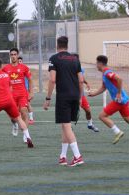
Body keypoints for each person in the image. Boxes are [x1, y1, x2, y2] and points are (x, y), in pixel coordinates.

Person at [88, 55, 129, 145]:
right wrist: (93, 94)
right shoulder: (104, 74)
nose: (96, 65)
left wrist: (119, 93)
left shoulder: (107, 72)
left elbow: (119, 79)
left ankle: (117, 132)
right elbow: (103, 87)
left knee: (102, 116)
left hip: (119, 100)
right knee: (128, 119)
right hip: (123, 99)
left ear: (100, 63)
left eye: (96, 63)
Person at [43, 36, 84, 167]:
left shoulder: (54, 58)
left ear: (57, 45)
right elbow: (81, 80)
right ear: (67, 45)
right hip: (75, 95)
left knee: (66, 126)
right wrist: (80, 98)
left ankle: (77, 156)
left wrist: (48, 98)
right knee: (65, 125)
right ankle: (63, 156)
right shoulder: (75, 59)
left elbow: (52, 79)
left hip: (64, 96)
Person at [2, 48, 34, 143]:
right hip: (11, 96)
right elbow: (2, 81)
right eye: (11, 54)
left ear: (17, 55)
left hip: (22, 94)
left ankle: (25, 134)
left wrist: (31, 92)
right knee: (13, 116)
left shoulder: (24, 68)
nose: (13, 56)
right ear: (10, 56)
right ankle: (15, 124)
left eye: (15, 54)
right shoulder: (5, 68)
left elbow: (30, 80)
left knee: (24, 111)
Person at [73, 54, 99, 132]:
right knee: (72, 112)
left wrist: (86, 82)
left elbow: (81, 78)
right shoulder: (68, 69)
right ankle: (69, 128)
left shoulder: (80, 68)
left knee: (88, 110)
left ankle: (90, 124)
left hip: (81, 94)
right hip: (72, 94)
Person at [18, 56, 34, 125]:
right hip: (18, 91)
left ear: (22, 61)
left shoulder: (25, 69)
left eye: (20, 61)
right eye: (18, 61)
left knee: (28, 105)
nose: (19, 62)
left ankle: (31, 119)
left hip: (25, 90)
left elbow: (30, 79)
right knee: (19, 106)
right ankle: (22, 118)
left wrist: (30, 91)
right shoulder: (15, 70)